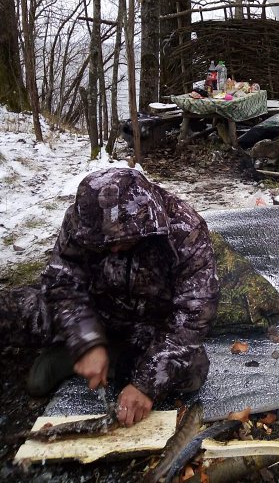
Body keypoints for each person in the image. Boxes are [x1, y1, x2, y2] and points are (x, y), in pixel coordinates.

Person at [0, 168, 219, 426]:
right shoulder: (82, 220)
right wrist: (86, 340)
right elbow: (62, 282)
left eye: (121, 240)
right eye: (101, 243)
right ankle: (83, 351)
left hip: (148, 325)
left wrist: (145, 385)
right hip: (92, 311)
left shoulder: (185, 229)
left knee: (192, 371)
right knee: (11, 310)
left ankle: (101, 357)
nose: (113, 249)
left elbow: (193, 316)